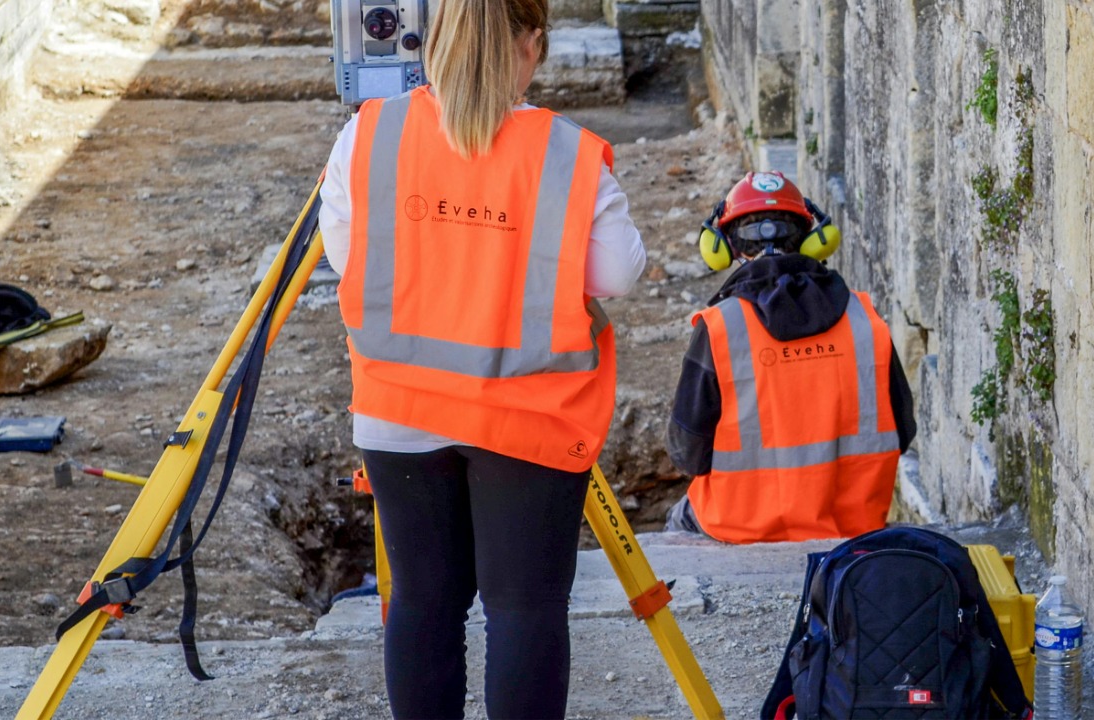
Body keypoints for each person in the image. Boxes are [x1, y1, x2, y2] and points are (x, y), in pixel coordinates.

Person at [317, 1, 645, 717]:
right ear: (530, 46)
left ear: (432, 40)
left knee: (424, 602)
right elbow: (617, 274)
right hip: (527, 418)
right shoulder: (564, 151)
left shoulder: (367, 134)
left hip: (397, 408)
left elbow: (347, 257)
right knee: (523, 609)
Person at [664, 171, 915, 544]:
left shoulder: (721, 328)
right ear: (813, 241)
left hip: (739, 527)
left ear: (725, 245)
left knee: (677, 525)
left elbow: (687, 454)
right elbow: (904, 432)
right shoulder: (864, 320)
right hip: (854, 526)